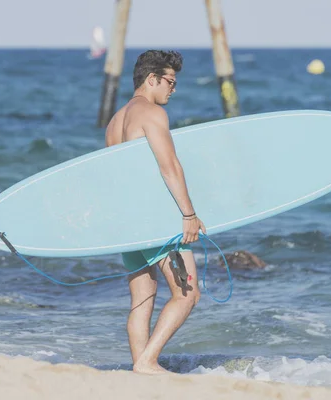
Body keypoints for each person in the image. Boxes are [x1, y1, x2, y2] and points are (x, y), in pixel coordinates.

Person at [104, 50, 206, 375]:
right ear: (152, 79)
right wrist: (188, 214)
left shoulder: (115, 121)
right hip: (153, 223)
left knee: (142, 299)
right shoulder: (151, 114)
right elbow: (169, 166)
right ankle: (148, 362)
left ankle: (140, 369)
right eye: (170, 82)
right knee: (187, 292)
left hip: (128, 225)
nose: (173, 90)